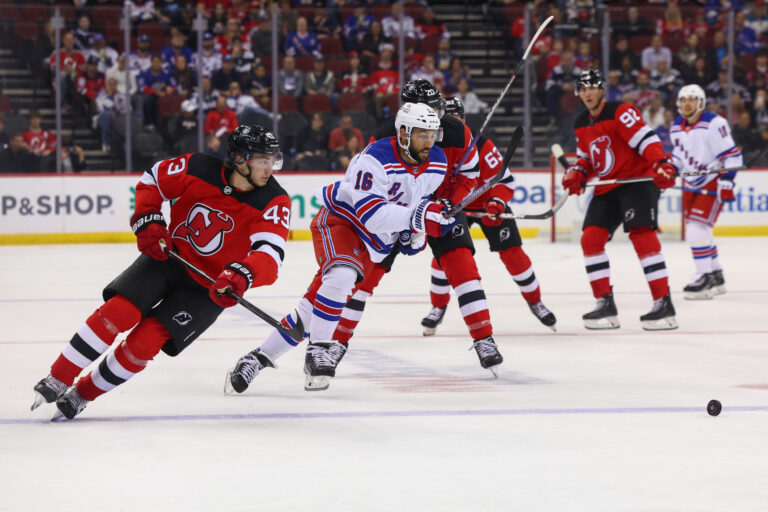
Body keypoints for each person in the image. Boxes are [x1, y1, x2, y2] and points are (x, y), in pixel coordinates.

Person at [31, 125, 290, 420]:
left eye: (273, 161)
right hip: (169, 258)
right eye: (262, 160)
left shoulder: (274, 200)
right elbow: (153, 179)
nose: (270, 168)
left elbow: (271, 256)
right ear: (241, 160)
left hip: (210, 287)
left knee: (146, 342)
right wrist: (148, 217)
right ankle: (59, 377)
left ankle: (82, 394)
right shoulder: (198, 167)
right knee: (119, 312)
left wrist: (243, 273)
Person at [226, 102, 451, 393]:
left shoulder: (438, 162)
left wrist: (414, 236)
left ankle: (258, 358)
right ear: (404, 133)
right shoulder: (375, 158)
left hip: (375, 245)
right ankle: (319, 349)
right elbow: (372, 215)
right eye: (423, 134)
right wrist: (418, 216)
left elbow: (414, 205)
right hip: (342, 222)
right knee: (342, 276)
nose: (429, 142)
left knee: (310, 311)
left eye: (433, 135)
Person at [322, 81, 505, 378]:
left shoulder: (458, 132)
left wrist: (449, 204)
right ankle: (336, 344)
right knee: (365, 278)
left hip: (443, 209)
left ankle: (484, 338)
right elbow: (363, 181)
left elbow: (469, 176)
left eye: (436, 110)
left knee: (464, 269)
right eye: (425, 111)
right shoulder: (383, 136)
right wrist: (406, 218)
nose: (432, 119)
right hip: (397, 209)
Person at [422, 96, 556, 334]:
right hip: (454, 207)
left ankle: (535, 301)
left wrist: (497, 201)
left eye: (456, 118)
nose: (452, 124)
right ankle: (437, 306)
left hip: (487, 205)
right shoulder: (431, 146)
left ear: (463, 119)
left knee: (513, 254)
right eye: (447, 118)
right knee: (445, 255)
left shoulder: (480, 144)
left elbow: (506, 180)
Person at [562, 69, 678, 331]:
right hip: (607, 187)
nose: (587, 93)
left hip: (636, 182)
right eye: (583, 88)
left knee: (641, 234)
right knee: (590, 239)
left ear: (603, 89)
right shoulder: (581, 122)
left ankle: (664, 303)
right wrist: (578, 172)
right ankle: (604, 303)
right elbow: (587, 159)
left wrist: (660, 162)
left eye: (592, 87)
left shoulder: (620, 111)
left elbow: (646, 139)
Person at [670, 84, 742, 300]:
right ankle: (716, 275)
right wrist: (670, 168)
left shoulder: (714, 123)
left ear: (701, 102)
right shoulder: (676, 125)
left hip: (712, 180)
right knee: (702, 231)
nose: (687, 103)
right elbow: (678, 156)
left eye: (692, 99)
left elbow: (732, 154)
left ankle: (704, 276)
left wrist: (728, 180)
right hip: (690, 183)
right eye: (683, 100)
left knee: (695, 229)